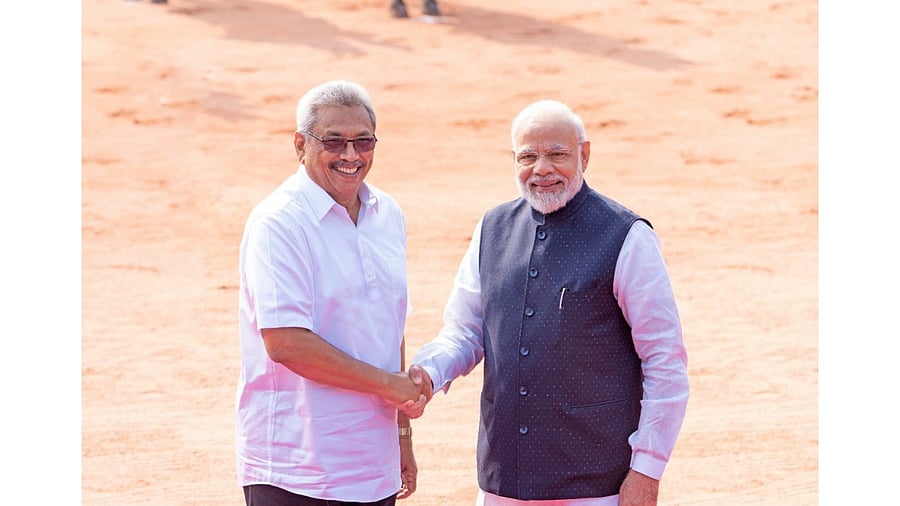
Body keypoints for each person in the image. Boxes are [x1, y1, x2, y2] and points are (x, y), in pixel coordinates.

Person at [408, 100, 690, 505]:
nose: (542, 169)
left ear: (584, 155)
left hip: (596, 485)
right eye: (528, 156)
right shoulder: (492, 229)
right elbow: (466, 331)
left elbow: (665, 360)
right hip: (503, 481)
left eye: (557, 154)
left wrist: (647, 469)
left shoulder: (627, 237)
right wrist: (429, 373)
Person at [235, 80, 431, 506]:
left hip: (372, 466)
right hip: (295, 470)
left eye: (363, 142)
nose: (350, 156)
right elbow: (286, 343)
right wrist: (388, 385)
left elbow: (389, 327)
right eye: (334, 142)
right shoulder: (279, 223)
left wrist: (401, 434)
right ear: (300, 145)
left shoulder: (387, 214)